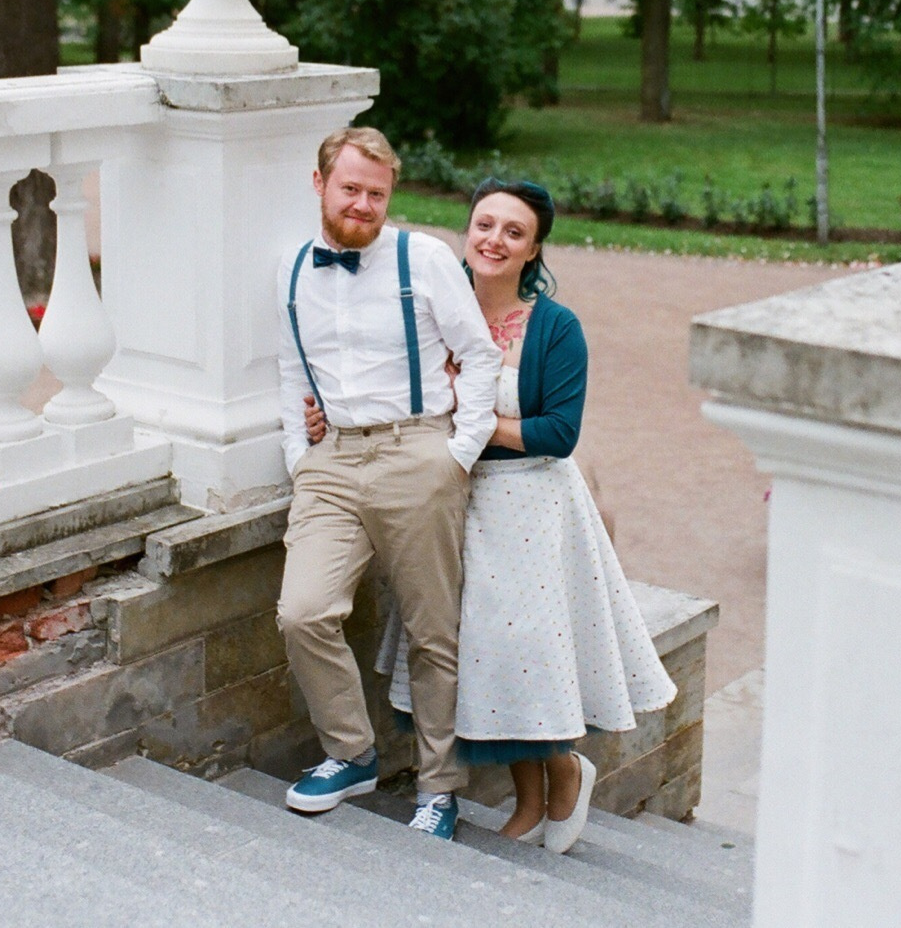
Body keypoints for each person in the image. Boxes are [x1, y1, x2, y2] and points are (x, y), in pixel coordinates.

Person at [309, 178, 675, 855]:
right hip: (452, 500)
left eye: (514, 231)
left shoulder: (555, 328)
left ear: (535, 248)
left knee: (525, 652)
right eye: (484, 224)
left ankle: (565, 768)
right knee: (478, 651)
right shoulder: (431, 311)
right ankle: (529, 799)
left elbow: (558, 431)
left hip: (532, 504)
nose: (494, 240)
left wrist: (471, 422)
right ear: (467, 230)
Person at [274, 125, 502, 840]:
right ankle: (352, 751)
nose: (364, 204)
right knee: (302, 611)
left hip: (418, 454)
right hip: (332, 461)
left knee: (434, 632)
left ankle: (439, 789)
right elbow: (290, 369)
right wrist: (298, 455)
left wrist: (456, 453)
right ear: (320, 185)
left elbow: (479, 354)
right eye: (350, 188)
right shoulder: (292, 269)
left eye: (377, 193)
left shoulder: (424, 258)